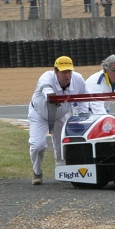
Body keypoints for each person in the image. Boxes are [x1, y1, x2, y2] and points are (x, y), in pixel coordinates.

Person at [27, 56, 88, 185]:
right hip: (39, 114)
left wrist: (83, 115)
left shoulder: (78, 79)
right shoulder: (46, 77)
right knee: (38, 146)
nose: (67, 75)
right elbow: (47, 91)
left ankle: (63, 171)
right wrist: (51, 95)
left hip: (61, 115)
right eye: (64, 72)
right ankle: (37, 172)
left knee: (62, 145)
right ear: (56, 72)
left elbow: (84, 98)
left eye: (69, 72)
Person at [84, 54, 115, 120]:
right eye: (114, 70)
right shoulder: (97, 81)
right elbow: (97, 106)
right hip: (86, 113)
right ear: (106, 69)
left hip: (103, 110)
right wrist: (107, 121)